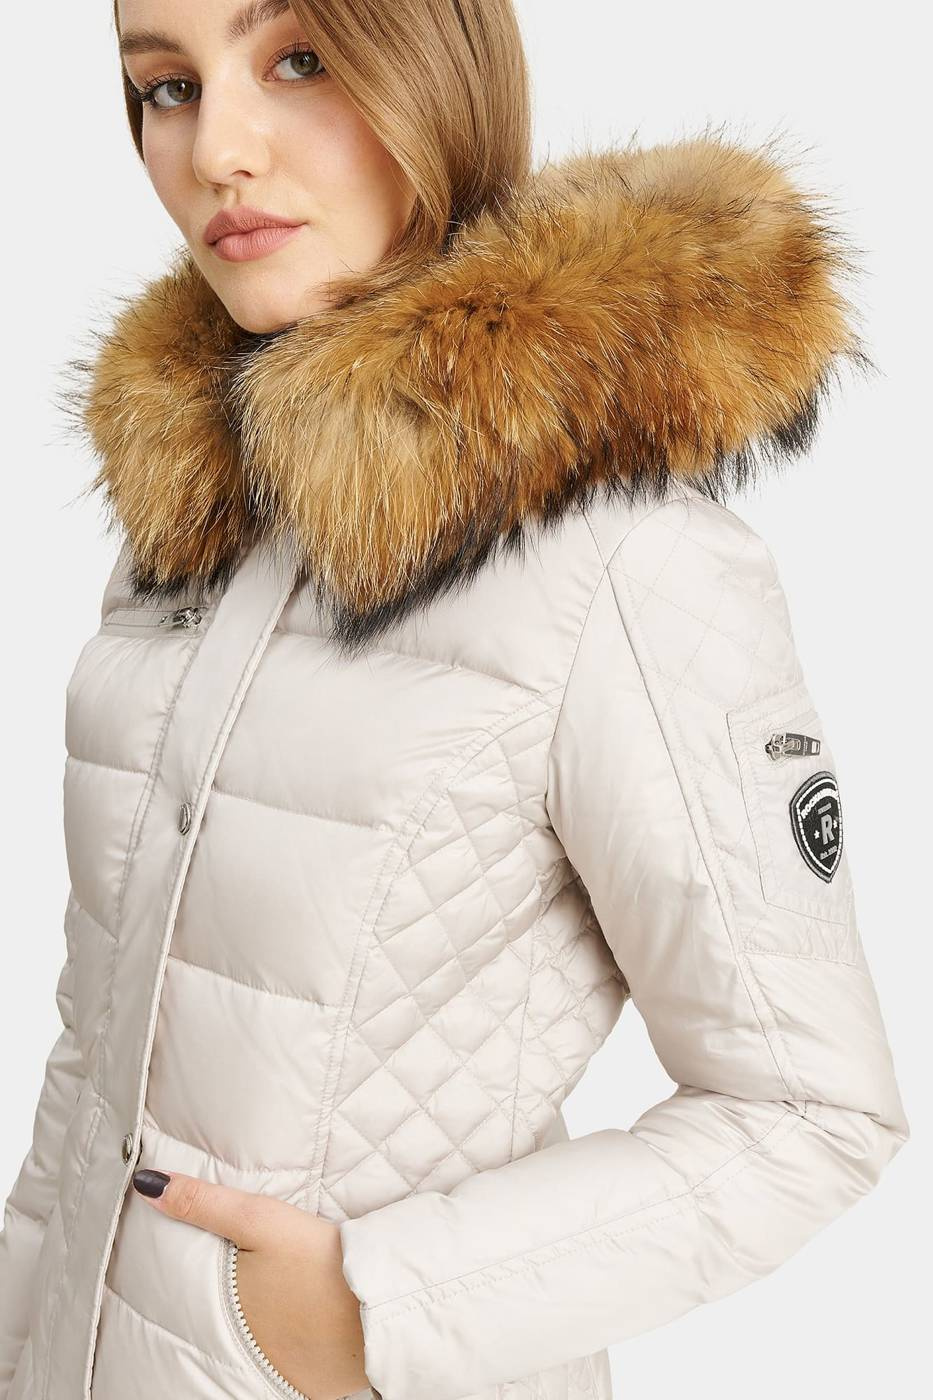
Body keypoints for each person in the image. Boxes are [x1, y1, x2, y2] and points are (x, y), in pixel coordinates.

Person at [0, 1, 910, 1398]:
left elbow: (810, 1108)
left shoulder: (624, 564)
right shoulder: (194, 527)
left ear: (438, 74)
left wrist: (368, 1315)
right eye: (166, 86)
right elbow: (104, 1051)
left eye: (298, 61)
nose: (218, 149)